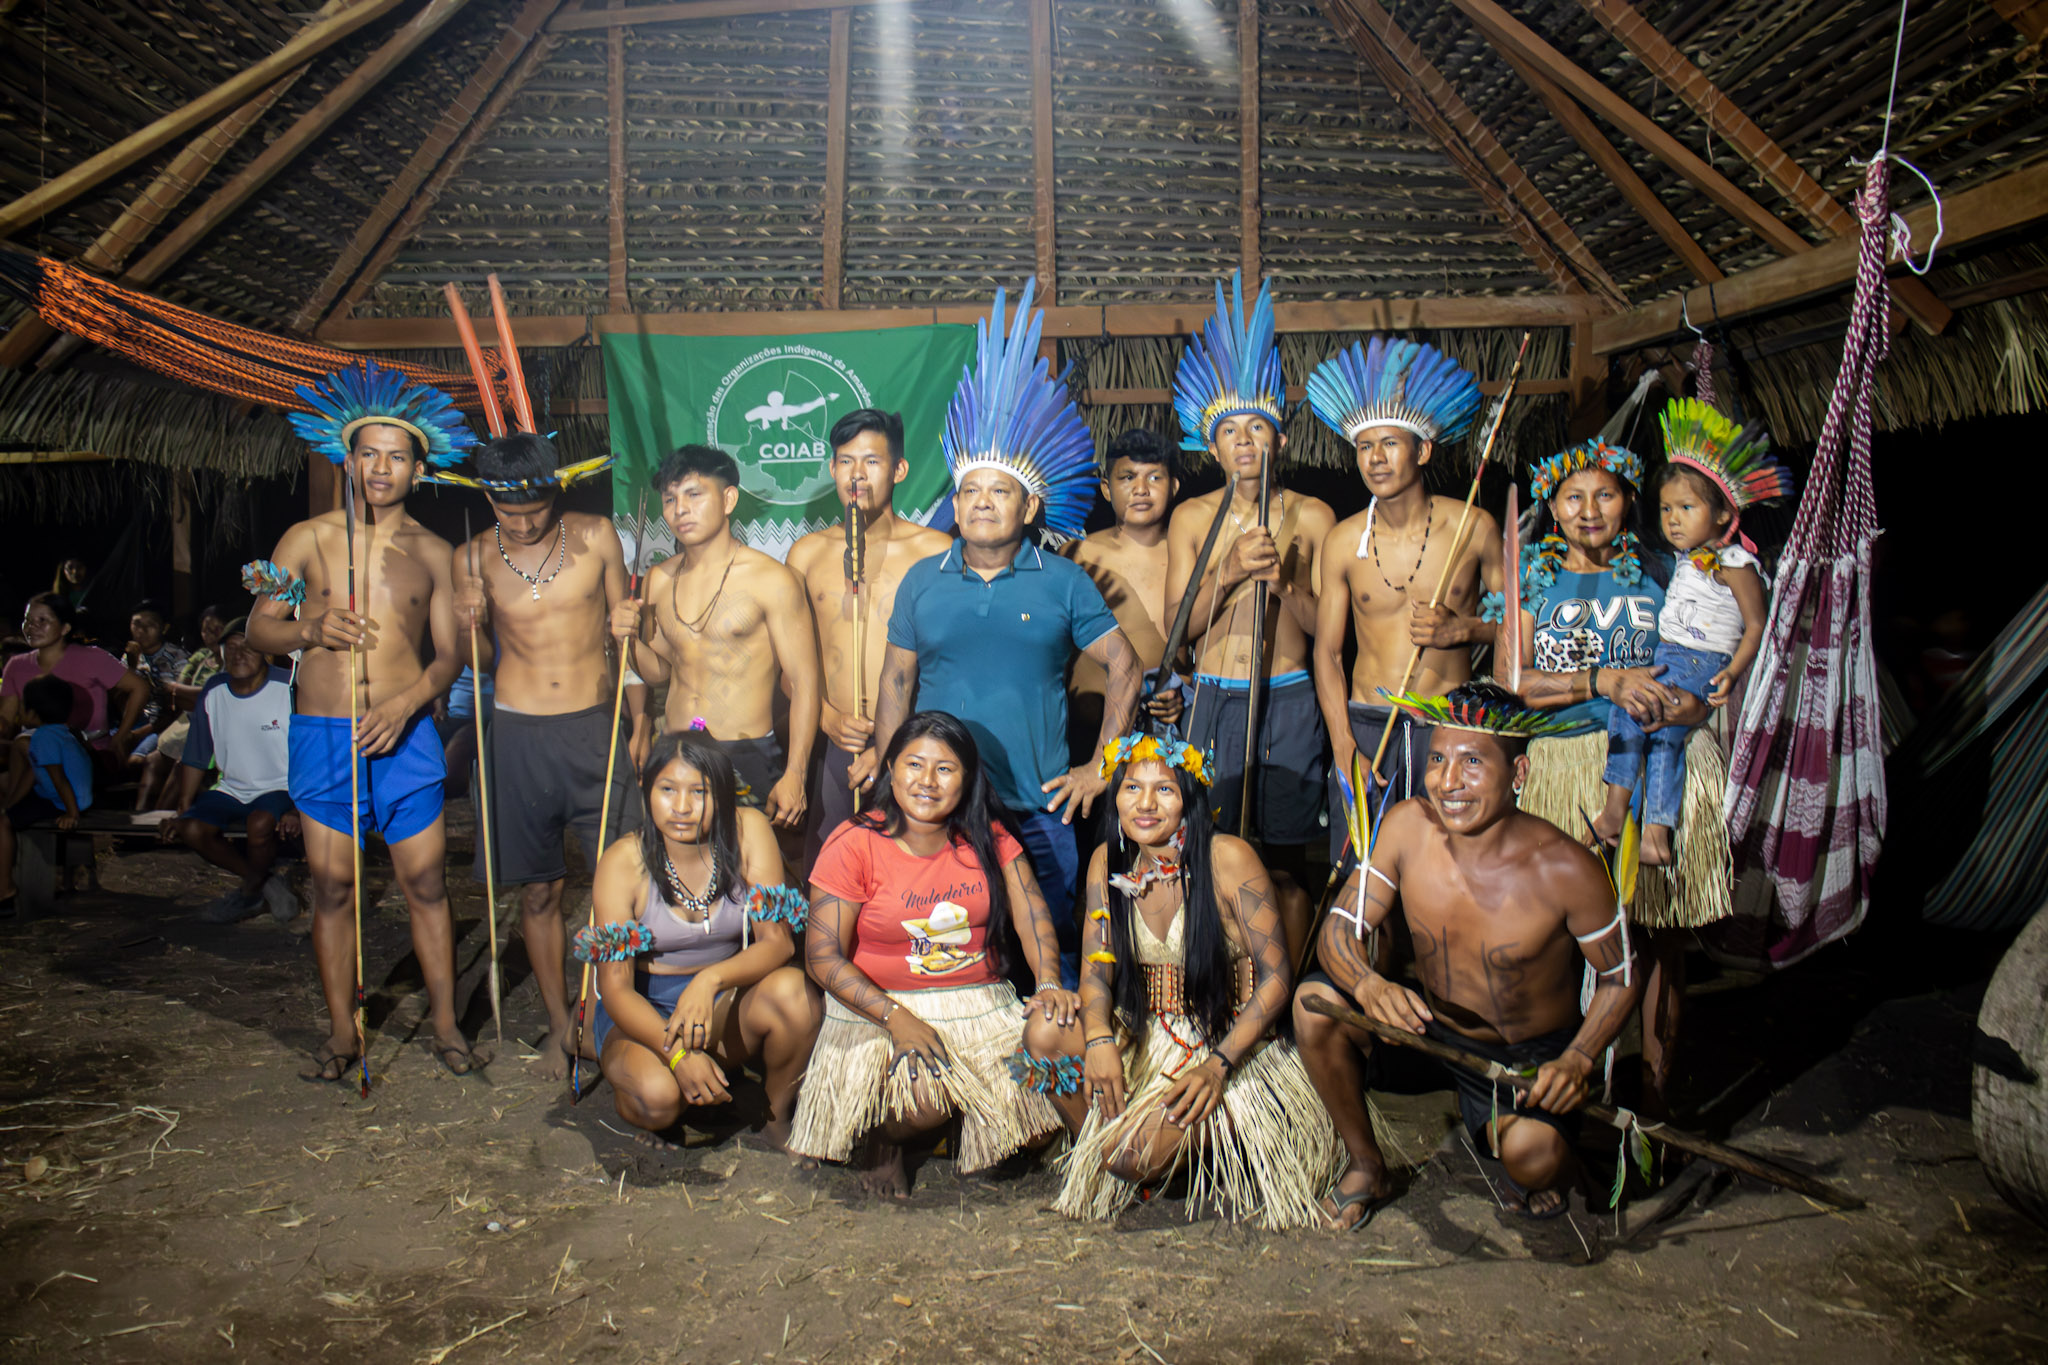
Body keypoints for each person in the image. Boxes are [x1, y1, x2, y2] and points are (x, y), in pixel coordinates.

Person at [870, 283, 1139, 984]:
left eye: (999, 491)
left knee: (1053, 946)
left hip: (1039, 805)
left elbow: (1126, 664)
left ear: (1030, 504)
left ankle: (1061, 1043)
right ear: (955, 502)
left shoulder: (1063, 580)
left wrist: (1101, 765)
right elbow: (896, 679)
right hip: (942, 808)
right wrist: (889, 771)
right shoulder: (923, 579)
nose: (982, 502)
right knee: (954, 947)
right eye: (969, 490)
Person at [1293, 683, 1640, 1224]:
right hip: (1427, 1029)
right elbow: (1339, 927)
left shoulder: (1567, 869)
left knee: (1535, 1158)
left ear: (1518, 773)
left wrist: (1577, 1058)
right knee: (1313, 1006)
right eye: (1437, 759)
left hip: (1521, 1060)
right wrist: (1368, 985)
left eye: (1472, 762)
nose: (1447, 781)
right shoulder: (1409, 826)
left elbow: (1621, 977)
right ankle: (1367, 1164)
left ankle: (1529, 1146)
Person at [245, 361, 479, 1084]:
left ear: (418, 468)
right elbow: (258, 628)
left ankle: (445, 1024)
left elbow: (450, 658)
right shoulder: (306, 539)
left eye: (396, 456)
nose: (381, 468)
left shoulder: (435, 553)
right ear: (347, 461)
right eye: (369, 454)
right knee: (334, 888)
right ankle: (344, 1032)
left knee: (426, 885)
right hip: (325, 735)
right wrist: (310, 628)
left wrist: (405, 705)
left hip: (404, 736)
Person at [1019, 733, 1340, 1227]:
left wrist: (1218, 1065)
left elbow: (1277, 978)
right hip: (1145, 1034)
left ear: (1189, 798)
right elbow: (1096, 972)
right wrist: (1099, 1038)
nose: (1145, 804)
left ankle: (1166, 1155)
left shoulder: (1227, 859)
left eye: (1164, 789)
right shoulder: (1109, 861)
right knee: (1042, 1035)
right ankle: (1107, 1160)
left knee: (1132, 1155)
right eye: (1132, 788)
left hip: (1225, 1044)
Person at [1502, 438, 1725, 1118]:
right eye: (1573, 497)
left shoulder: (1665, 571)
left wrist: (1698, 704)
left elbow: (1711, 653)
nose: (1589, 510)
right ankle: (1558, 1095)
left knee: (1654, 936)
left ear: (1629, 501)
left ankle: (1653, 1102)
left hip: (1655, 764)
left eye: (1605, 494)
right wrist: (1603, 680)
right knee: (1557, 936)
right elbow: (1515, 682)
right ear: (1553, 507)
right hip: (1563, 768)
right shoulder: (1533, 579)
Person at [791, 710, 1078, 1196]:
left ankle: (961, 1127)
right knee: (926, 1098)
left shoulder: (988, 836)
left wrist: (1048, 980)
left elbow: (1032, 914)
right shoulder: (853, 842)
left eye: (945, 768)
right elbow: (821, 957)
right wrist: (895, 1017)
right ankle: (885, 1139)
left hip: (978, 1006)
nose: (927, 781)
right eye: (914, 764)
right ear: (890, 768)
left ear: (967, 778)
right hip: (879, 1007)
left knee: (1039, 1113)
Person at [450, 431, 637, 1080]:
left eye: (536, 509)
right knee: (539, 891)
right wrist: (470, 623)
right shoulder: (471, 558)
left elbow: (627, 638)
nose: (526, 524)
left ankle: (610, 1013)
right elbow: (476, 662)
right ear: (489, 501)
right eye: (511, 512)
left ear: (554, 494)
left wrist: (636, 717)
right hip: (518, 736)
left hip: (594, 729)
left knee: (621, 879)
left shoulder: (596, 535)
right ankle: (562, 1024)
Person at [1164, 274, 1335, 866]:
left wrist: (1283, 584)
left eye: (1256, 427)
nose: (1243, 441)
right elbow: (1175, 633)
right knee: (1209, 853)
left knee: (1286, 863)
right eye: (1229, 431)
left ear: (1278, 440)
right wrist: (1232, 568)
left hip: (1289, 695)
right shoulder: (1191, 518)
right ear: (1213, 448)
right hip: (1212, 696)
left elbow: (1329, 632)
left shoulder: (1314, 516)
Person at [582, 730, 821, 1150]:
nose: (681, 807)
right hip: (645, 1009)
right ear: (646, 789)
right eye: (667, 789)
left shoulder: (748, 832)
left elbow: (778, 943)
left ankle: (777, 1114)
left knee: (796, 995)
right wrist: (677, 1055)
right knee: (658, 1099)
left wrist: (709, 981)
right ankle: (641, 1076)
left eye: (700, 792)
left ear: (724, 795)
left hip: (721, 1000)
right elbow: (616, 989)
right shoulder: (622, 862)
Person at [1305, 338, 1495, 851]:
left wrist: (1464, 629)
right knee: (1363, 874)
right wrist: (1344, 744)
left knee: (1448, 870)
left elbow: (1521, 629)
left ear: (1423, 449)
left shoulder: (1473, 526)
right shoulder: (1343, 541)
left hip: (1448, 724)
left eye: (1389, 443)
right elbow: (1327, 654)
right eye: (1364, 447)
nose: (1375, 459)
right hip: (1368, 726)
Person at [1595, 400, 1788, 866]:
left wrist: (1732, 673)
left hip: (1702, 662)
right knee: (1661, 733)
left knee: (1633, 706)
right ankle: (1656, 834)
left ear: (1722, 515)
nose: (1673, 519)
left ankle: (1615, 811)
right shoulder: (1683, 559)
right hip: (1670, 655)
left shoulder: (1734, 562)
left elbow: (1757, 624)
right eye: (1666, 509)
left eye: (1686, 507)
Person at [613, 444, 819, 831]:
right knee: (677, 863)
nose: (680, 509)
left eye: (694, 494)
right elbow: (659, 672)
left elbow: (805, 683)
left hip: (743, 749)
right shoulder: (659, 578)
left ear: (728, 499)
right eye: (670, 499)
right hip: (675, 746)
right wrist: (627, 639)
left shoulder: (770, 579)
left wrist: (796, 772)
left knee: (748, 863)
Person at [785, 408, 952, 867]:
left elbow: (951, 663)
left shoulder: (935, 553)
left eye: (872, 461)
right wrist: (825, 718)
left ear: (899, 469)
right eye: (845, 461)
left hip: (916, 746)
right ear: (832, 469)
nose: (856, 474)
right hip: (836, 746)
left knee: (911, 873)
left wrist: (892, 743)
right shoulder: (807, 554)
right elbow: (788, 669)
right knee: (832, 871)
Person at [164, 619, 299, 924]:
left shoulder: (289, 686)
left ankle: (249, 893)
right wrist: (183, 806)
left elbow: (311, 750)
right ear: (221, 652)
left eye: (248, 647)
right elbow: (197, 752)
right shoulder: (214, 689)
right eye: (231, 647)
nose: (239, 654)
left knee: (260, 822)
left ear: (266, 652)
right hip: (232, 788)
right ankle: (264, 883)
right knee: (191, 828)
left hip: (282, 786)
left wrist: (298, 807)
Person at [1067, 428, 1184, 750]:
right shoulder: (1077, 555)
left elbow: (1204, 645)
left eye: (1154, 478)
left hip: (1165, 733)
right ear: (1106, 488)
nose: (1141, 489)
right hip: (1090, 728)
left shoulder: (1188, 556)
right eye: (1128, 477)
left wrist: (1184, 689)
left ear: (1174, 486)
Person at [0, 592, 149, 776]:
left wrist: (120, 735)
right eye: (27, 620)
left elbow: (140, 688)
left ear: (65, 628)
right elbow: (6, 719)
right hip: (34, 755)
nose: (31, 627)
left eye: (42, 620)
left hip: (91, 753)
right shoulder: (16, 666)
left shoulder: (92, 657)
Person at [0, 675, 94, 910]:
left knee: (2, 826)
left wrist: (71, 814)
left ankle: (5, 888)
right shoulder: (60, 731)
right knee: (8, 814)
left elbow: (59, 778)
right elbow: (33, 774)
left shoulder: (42, 738)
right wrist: (11, 804)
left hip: (64, 801)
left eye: (23, 704)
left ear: (33, 712)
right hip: (72, 796)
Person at [123, 600, 190, 809]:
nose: (141, 631)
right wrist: (131, 666)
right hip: (135, 721)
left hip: (166, 725)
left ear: (164, 628)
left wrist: (139, 733)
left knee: (136, 761)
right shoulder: (130, 656)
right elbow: (120, 700)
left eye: (150, 625)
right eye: (136, 624)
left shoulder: (177, 658)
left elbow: (179, 709)